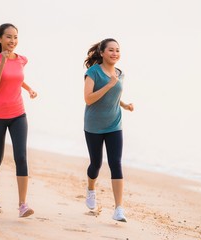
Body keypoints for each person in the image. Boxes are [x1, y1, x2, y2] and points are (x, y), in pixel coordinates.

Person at [0, 23, 37, 218]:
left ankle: (23, 204)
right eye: (8, 37)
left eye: (15, 37)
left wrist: (29, 88)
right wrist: (3, 63)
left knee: (21, 157)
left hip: (18, 115)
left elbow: (16, 78)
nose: (12, 41)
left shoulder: (22, 59)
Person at [83, 38, 134, 222]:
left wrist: (124, 104)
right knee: (96, 164)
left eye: (117, 50)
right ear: (102, 53)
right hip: (94, 126)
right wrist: (109, 85)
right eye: (111, 50)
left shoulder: (120, 74)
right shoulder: (93, 72)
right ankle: (90, 189)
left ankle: (119, 208)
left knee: (116, 163)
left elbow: (113, 96)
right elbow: (88, 99)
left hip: (114, 125)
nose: (115, 53)